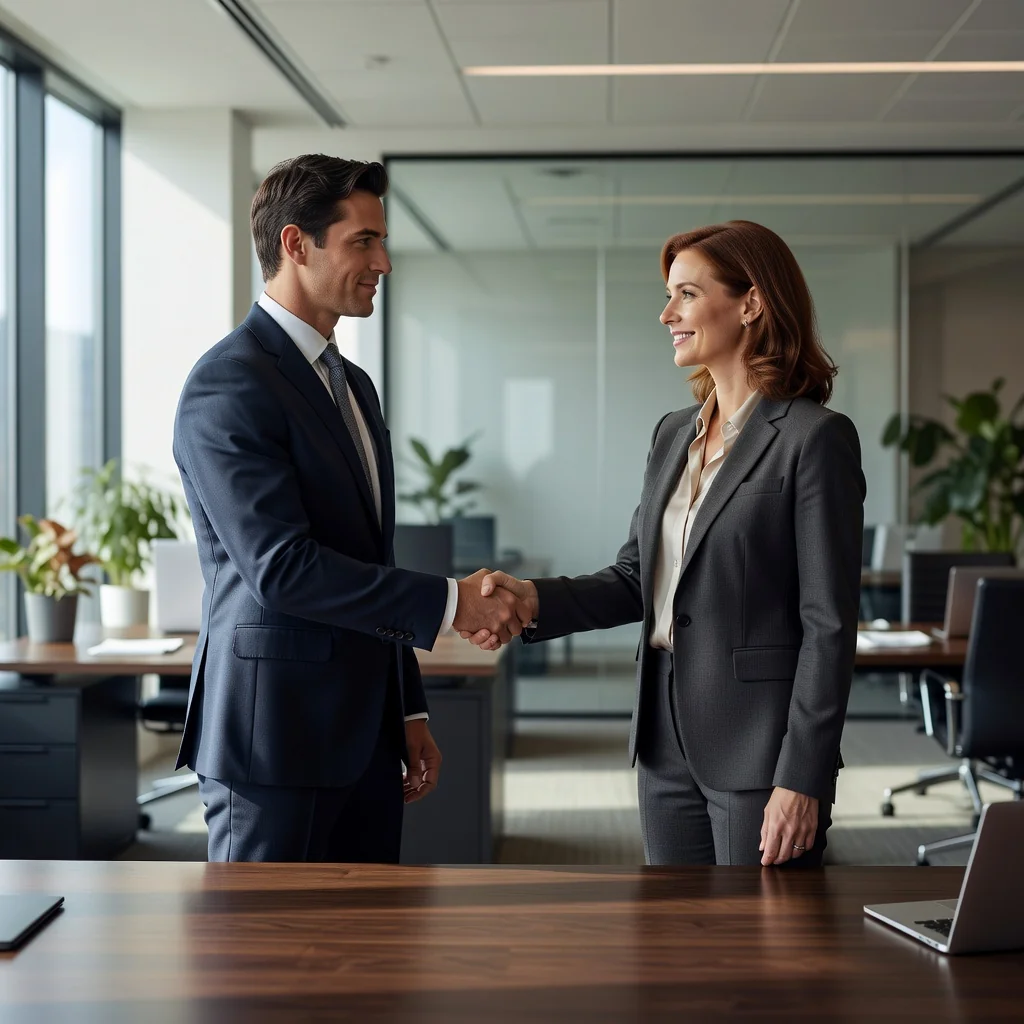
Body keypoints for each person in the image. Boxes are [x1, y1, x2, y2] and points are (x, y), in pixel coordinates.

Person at [464, 221, 866, 867]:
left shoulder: (813, 438)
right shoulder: (673, 434)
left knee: (761, 946)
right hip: (664, 733)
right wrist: (532, 599)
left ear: (751, 303)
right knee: (674, 941)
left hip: (760, 745)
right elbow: (637, 577)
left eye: (685, 294)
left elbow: (828, 624)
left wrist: (803, 776)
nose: (666, 314)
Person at [172, 154, 532, 863]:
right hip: (275, 737)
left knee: (369, 956)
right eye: (362, 241)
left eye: (382, 241)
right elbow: (283, 570)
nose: (383, 263)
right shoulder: (229, 383)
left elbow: (369, 559)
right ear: (295, 245)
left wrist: (407, 706)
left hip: (366, 733)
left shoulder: (353, 385)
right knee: (263, 961)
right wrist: (452, 602)